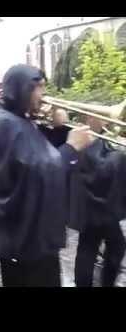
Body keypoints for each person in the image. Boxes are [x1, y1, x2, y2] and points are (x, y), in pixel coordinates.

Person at [0, 64, 93, 287]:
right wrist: (71, 149)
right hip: (23, 237)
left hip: (31, 234)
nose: (44, 94)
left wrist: (58, 130)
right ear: (20, 89)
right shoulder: (5, 124)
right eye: (38, 87)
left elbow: (40, 155)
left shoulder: (19, 122)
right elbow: (36, 175)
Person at [69, 116, 126, 287]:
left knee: (87, 247)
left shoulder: (93, 137)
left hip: (92, 207)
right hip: (99, 207)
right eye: (104, 118)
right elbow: (102, 168)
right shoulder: (87, 138)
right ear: (90, 118)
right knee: (114, 246)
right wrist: (120, 154)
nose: (107, 121)